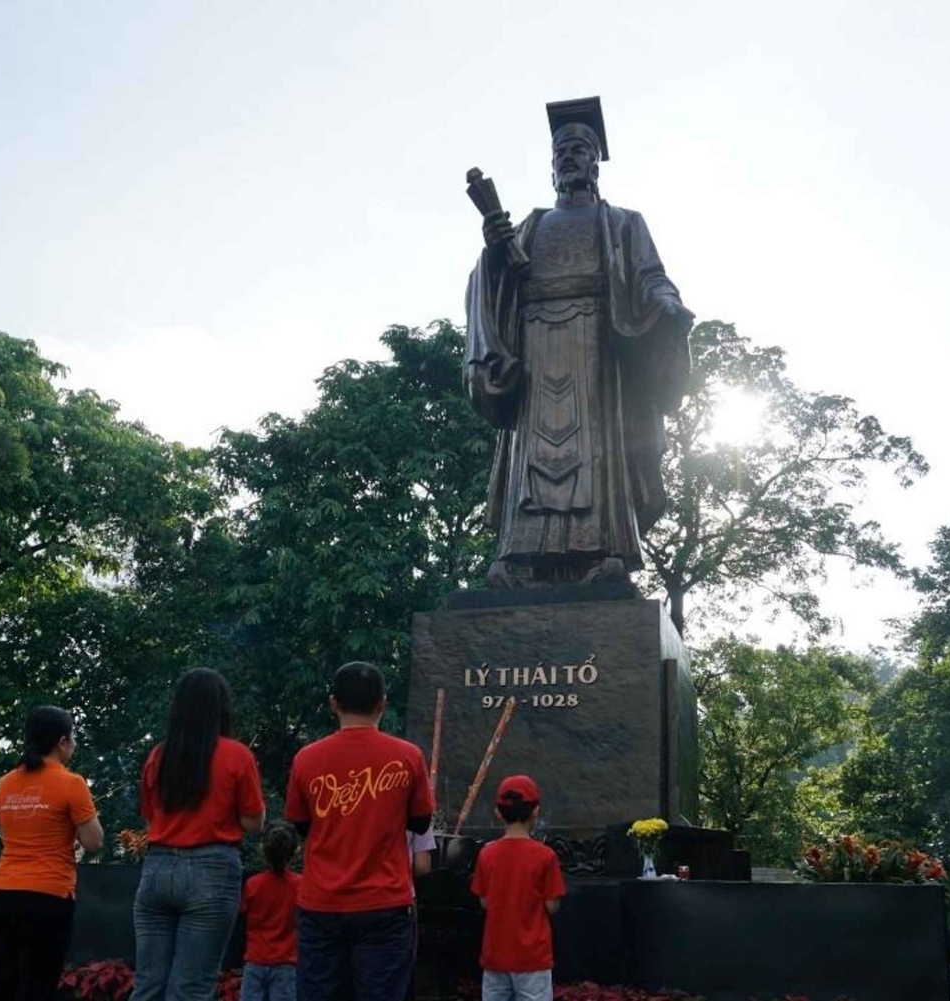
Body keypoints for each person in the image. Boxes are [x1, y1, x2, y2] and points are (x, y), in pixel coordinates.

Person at [465, 96, 694, 588]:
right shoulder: (528, 226)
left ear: (595, 164)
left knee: (596, 452)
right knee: (533, 454)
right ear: (551, 169)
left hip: (597, 348)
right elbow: (495, 286)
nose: (568, 158)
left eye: (578, 150)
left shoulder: (623, 223)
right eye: (560, 152)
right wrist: (494, 253)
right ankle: (520, 560)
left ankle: (602, 554)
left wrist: (667, 306)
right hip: (535, 347)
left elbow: (652, 277)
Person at [284, 662, 435, 1001]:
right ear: (382, 703)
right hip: (385, 902)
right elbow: (421, 821)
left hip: (321, 902)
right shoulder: (408, 756)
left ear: (333, 703)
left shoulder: (306, 759)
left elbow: (300, 824)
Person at [134, 668, 265, 1001]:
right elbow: (254, 823)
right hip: (212, 872)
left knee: (148, 985)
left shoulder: (159, 755)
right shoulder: (237, 755)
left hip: (157, 868)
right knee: (191, 988)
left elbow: (150, 820)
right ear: (222, 708)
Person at [0, 706, 104, 1001]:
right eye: (73, 738)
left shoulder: (5, 783)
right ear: (62, 742)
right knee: (36, 985)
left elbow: (6, 832)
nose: (74, 744)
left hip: (0, 894)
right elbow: (94, 841)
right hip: (47, 898)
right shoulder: (72, 783)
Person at [470, 775, 567, 1001]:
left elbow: (484, 902)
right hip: (533, 959)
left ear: (498, 812)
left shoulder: (486, 854)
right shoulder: (545, 856)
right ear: (536, 811)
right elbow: (552, 906)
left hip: (495, 957)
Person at [240, 823, 302, 1001]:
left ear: (263, 850)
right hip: (287, 962)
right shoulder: (300, 885)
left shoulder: (253, 884)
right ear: (295, 851)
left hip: (255, 960)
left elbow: (244, 912)